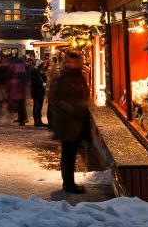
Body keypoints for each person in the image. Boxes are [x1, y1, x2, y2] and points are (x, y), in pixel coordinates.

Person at [51, 52, 89, 194]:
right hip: (67, 121)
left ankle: (69, 182)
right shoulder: (63, 78)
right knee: (68, 153)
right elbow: (56, 98)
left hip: (77, 120)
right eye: (71, 62)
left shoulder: (78, 76)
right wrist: (70, 107)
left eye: (77, 61)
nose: (74, 64)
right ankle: (68, 184)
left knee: (71, 153)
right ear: (67, 63)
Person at [9, 59, 28, 125]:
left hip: (19, 92)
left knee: (21, 107)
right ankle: (20, 118)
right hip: (19, 92)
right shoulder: (22, 70)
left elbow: (21, 80)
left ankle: (22, 120)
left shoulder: (20, 71)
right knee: (20, 106)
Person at [46, 56, 62, 129]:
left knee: (50, 108)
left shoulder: (50, 69)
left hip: (51, 93)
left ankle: (50, 123)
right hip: (54, 93)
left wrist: (46, 95)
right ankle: (52, 123)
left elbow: (48, 82)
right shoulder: (57, 69)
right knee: (53, 108)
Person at [31, 59, 47, 127]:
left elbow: (44, 79)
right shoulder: (34, 71)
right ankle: (36, 121)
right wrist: (41, 84)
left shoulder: (42, 71)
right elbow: (33, 82)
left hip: (41, 91)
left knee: (40, 107)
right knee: (36, 106)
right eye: (42, 64)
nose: (43, 66)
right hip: (36, 92)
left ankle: (39, 121)